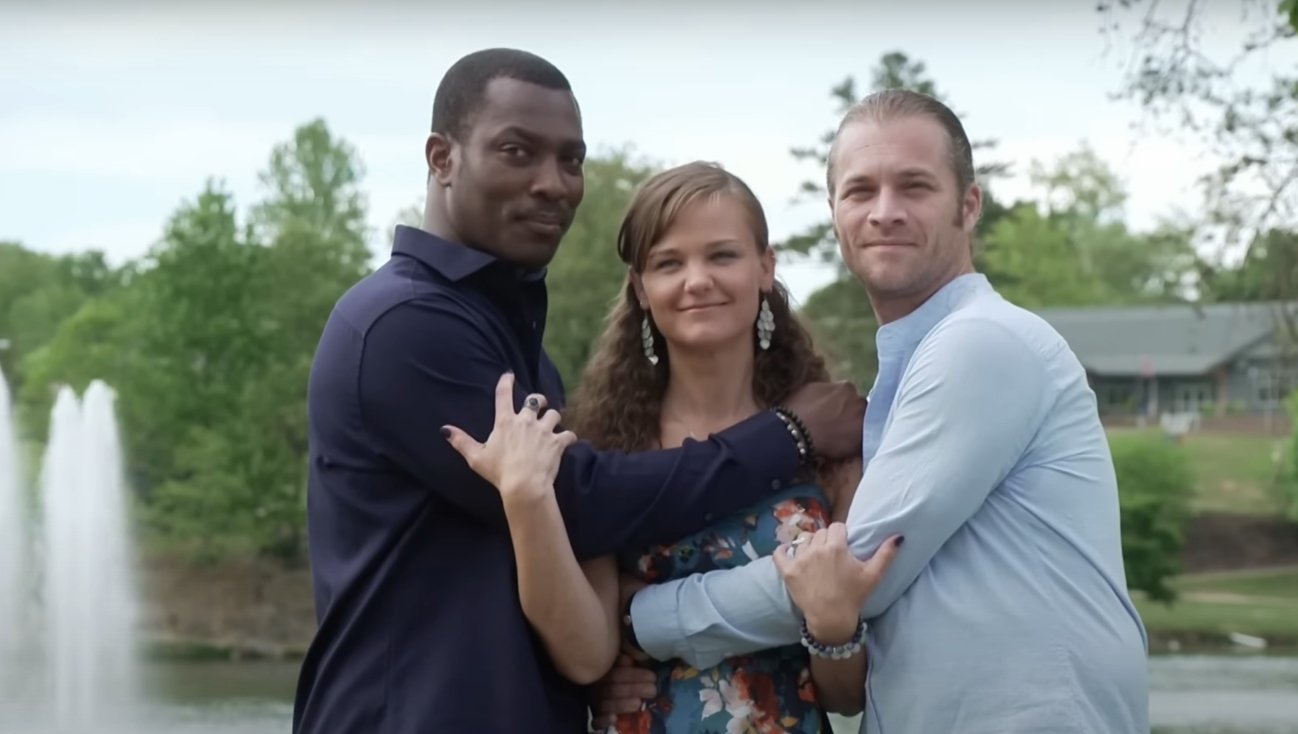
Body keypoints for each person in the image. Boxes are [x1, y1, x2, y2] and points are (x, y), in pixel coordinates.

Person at [291, 49, 865, 734]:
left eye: (571, 160)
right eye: (517, 151)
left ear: (766, 270)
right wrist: (786, 434)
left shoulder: (512, 345)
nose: (552, 183)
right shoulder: (402, 326)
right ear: (442, 158)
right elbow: (578, 502)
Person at [592, 89, 1151, 733]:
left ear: (969, 206)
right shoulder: (909, 371)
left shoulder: (981, 344)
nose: (885, 212)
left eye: (914, 187)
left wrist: (640, 619)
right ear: (835, 215)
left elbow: (855, 569)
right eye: (860, 192)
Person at [443, 161, 902, 734]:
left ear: (765, 267)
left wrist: (833, 626)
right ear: (640, 287)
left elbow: (845, 692)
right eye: (668, 263)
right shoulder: (605, 450)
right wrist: (526, 495)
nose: (697, 280)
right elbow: (586, 654)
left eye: (722, 255)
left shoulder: (834, 443)